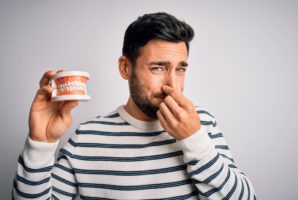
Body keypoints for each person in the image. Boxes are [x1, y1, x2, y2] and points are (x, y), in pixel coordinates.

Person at [13, 12, 256, 199]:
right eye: (158, 67)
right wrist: (40, 144)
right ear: (125, 68)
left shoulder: (202, 124)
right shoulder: (87, 138)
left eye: (180, 69)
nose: (172, 84)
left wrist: (195, 140)